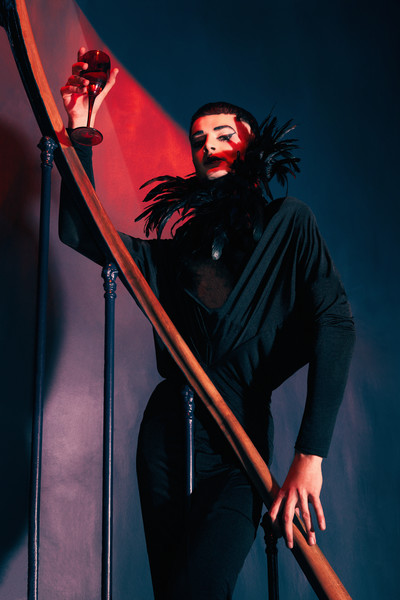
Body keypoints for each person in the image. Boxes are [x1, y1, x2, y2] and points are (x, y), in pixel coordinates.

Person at [59, 48, 355, 600]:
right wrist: (80, 128)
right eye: (198, 140)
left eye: (223, 134)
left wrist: (309, 457)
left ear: (253, 144)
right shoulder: (177, 254)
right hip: (166, 436)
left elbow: (335, 324)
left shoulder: (290, 224)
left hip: (238, 444)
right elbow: (83, 232)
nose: (209, 146)